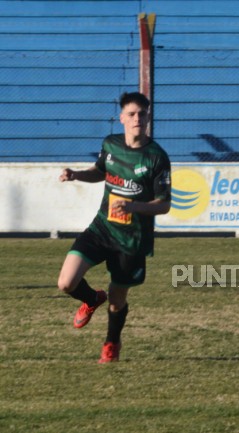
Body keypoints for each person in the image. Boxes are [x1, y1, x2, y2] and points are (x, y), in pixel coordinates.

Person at [57, 92, 171, 363]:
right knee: (65, 282)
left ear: (148, 117)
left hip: (132, 239)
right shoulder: (110, 144)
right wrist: (77, 175)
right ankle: (92, 298)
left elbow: (164, 204)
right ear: (121, 118)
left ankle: (111, 344)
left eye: (142, 114)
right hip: (103, 228)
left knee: (118, 299)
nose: (137, 119)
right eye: (131, 114)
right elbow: (100, 171)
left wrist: (134, 208)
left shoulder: (157, 157)